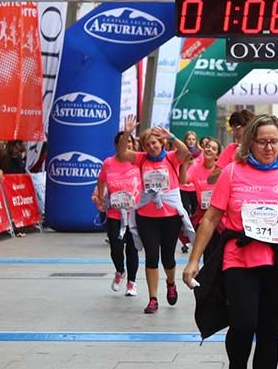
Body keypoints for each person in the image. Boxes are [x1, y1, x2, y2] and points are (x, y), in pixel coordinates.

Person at [183, 114, 278, 369]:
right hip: (239, 258)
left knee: (270, 333)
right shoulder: (232, 172)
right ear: (249, 143)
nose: (268, 147)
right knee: (244, 325)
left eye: (274, 141)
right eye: (262, 141)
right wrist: (193, 262)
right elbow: (211, 218)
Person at [134, 125, 190, 313]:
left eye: (154, 143)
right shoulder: (141, 160)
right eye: (147, 144)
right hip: (146, 216)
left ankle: (171, 283)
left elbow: (185, 151)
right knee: (151, 255)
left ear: (161, 143)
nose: (151, 147)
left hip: (169, 216)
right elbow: (122, 153)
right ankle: (153, 299)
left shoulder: (171, 158)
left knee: (168, 257)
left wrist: (172, 137)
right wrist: (126, 134)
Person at [93, 130, 143, 296]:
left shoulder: (138, 161)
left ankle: (132, 283)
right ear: (116, 145)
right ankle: (120, 271)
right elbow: (101, 180)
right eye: (123, 142)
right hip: (115, 214)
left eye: (129, 142)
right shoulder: (108, 163)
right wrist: (101, 197)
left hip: (135, 215)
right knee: (116, 247)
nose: (127, 145)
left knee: (132, 249)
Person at [185, 138, 221, 229]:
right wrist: (185, 163)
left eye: (213, 148)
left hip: (219, 213)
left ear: (217, 156)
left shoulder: (222, 170)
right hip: (202, 211)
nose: (209, 149)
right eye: (208, 147)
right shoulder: (195, 167)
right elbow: (183, 180)